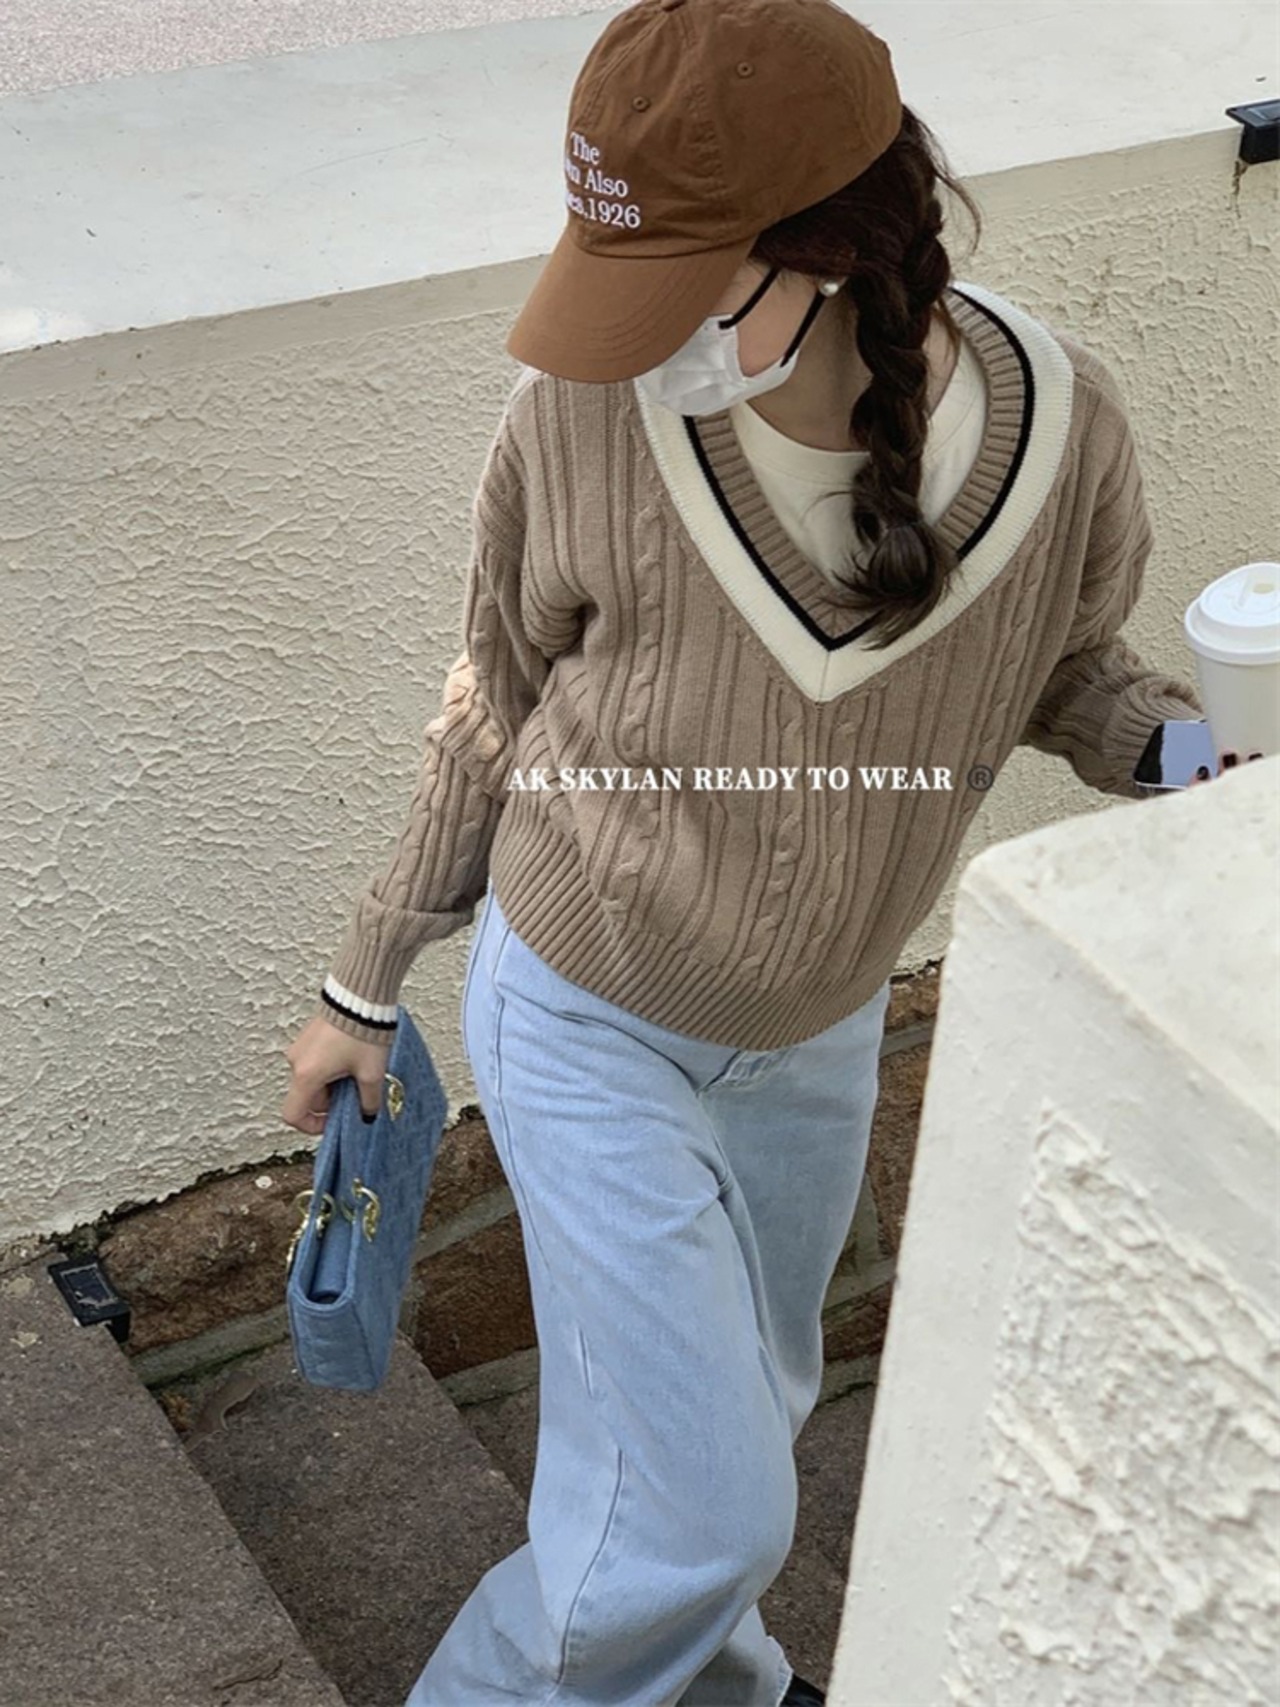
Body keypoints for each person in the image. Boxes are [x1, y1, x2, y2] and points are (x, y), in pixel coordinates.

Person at [281, 1, 1215, 1700]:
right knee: (693, 1509)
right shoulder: (582, 416)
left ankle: (716, 1691)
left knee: (740, 1431)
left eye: (689, 292)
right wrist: (364, 979)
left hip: (819, 1036)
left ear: (835, 249)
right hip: (583, 1015)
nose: (640, 344)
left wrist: (1191, 754)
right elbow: (494, 700)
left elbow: (1066, 670)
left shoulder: (1061, 423)